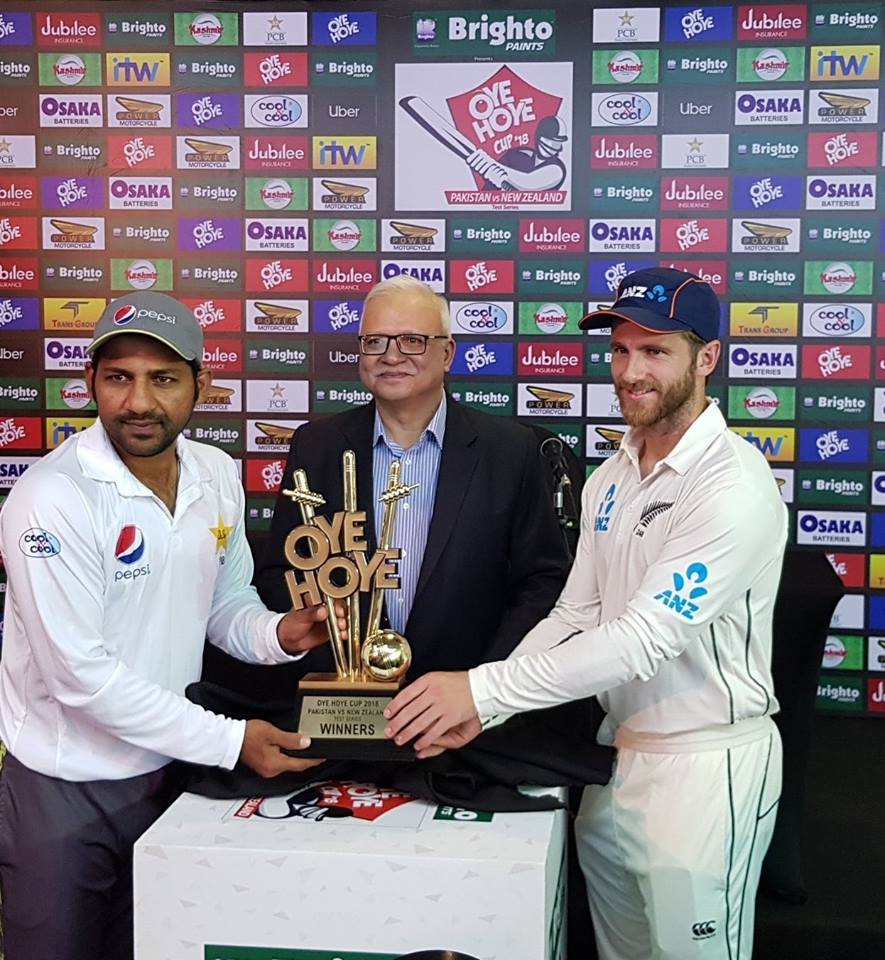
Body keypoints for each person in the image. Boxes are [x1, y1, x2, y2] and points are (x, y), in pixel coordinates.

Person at [384, 267, 788, 960]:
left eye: (655, 351)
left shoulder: (734, 485)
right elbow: (576, 613)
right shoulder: (609, 476)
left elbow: (641, 641)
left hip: (706, 771)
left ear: (708, 359)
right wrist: (485, 702)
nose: (630, 371)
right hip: (613, 759)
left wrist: (482, 690)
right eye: (621, 350)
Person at [0, 292, 338, 960]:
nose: (138, 402)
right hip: (68, 792)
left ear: (199, 384)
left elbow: (223, 604)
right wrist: (232, 740)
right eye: (118, 377)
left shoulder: (214, 472)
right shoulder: (51, 497)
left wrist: (280, 635)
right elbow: (83, 679)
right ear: (90, 380)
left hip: (174, 776)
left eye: (162, 379)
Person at [253, 274, 570, 692]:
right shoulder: (317, 445)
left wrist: (483, 682)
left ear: (447, 353)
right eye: (376, 341)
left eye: (412, 341)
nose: (391, 355)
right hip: (348, 700)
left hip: (467, 709)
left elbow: (542, 581)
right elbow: (282, 570)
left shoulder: (511, 450)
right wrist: (322, 636)